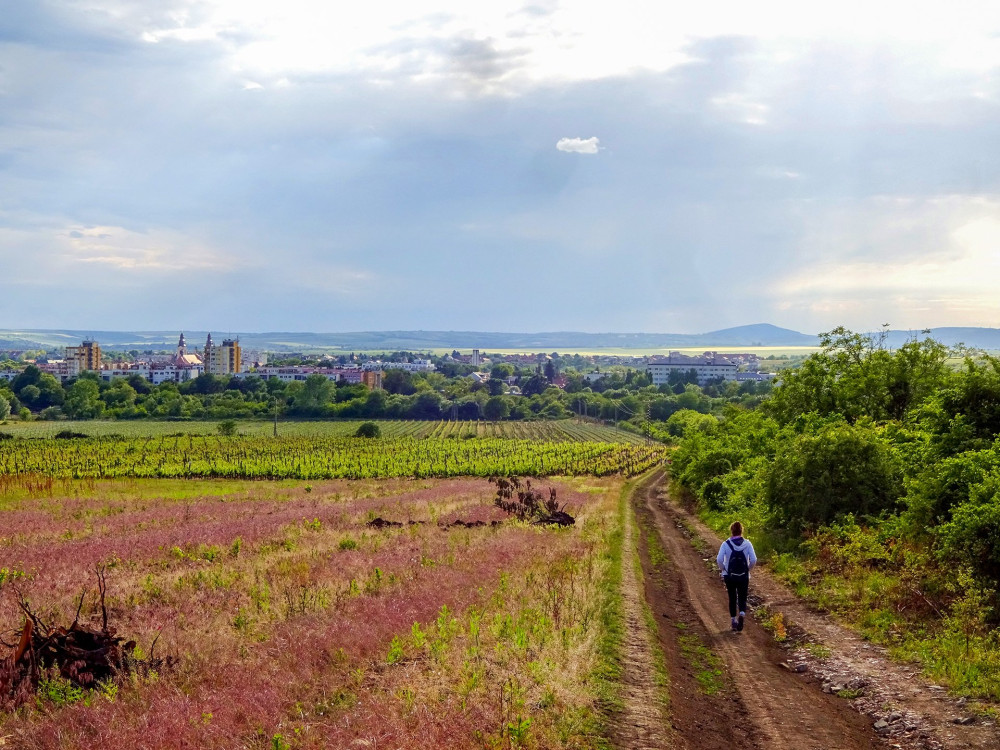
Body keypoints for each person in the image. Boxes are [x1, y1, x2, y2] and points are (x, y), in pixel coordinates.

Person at [716, 521, 756, 632]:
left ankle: (733, 620)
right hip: (744, 575)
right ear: (741, 531)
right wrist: (748, 569)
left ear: (731, 531)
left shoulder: (726, 544)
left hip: (730, 575)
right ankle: (742, 613)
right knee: (743, 596)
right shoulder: (747, 544)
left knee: (732, 597)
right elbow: (753, 559)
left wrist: (724, 569)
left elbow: (719, 559)